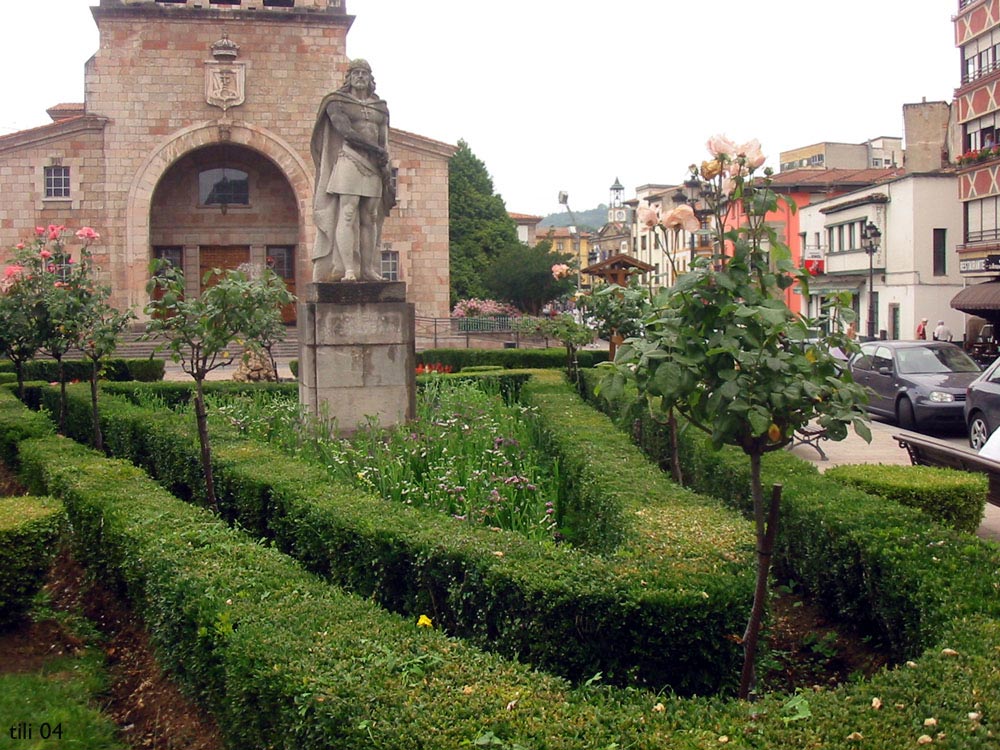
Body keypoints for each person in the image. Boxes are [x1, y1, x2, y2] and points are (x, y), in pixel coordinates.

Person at [310, 59, 395, 283]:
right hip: (350, 160)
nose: (360, 76)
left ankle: (367, 269)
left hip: (374, 166)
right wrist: (376, 149)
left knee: (371, 216)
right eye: (355, 72)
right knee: (347, 213)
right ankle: (348, 269)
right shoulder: (336, 102)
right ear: (348, 77)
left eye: (364, 73)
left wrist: (385, 163)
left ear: (370, 78)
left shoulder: (380, 108)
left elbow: (385, 139)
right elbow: (345, 131)